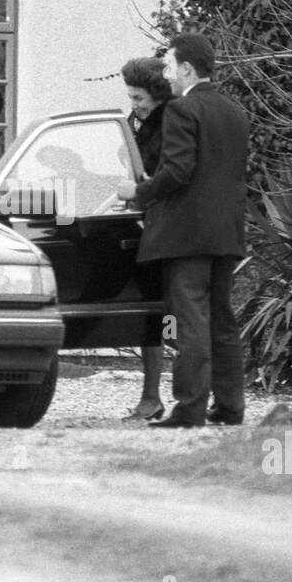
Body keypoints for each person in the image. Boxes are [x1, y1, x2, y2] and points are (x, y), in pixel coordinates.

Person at [117, 33, 249, 428]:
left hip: (186, 235)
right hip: (226, 232)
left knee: (190, 324)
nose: (168, 74)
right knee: (223, 322)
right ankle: (230, 407)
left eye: (171, 65)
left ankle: (190, 409)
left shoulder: (181, 110)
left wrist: (138, 191)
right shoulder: (234, 111)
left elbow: (177, 171)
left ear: (188, 68)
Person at [120, 57, 173, 421]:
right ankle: (151, 395)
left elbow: (163, 174)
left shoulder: (171, 121)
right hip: (149, 221)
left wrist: (138, 188)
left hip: (168, 225)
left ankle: (162, 395)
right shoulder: (141, 121)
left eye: (138, 98)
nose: (134, 105)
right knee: (152, 312)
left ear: (154, 94)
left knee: (165, 314)